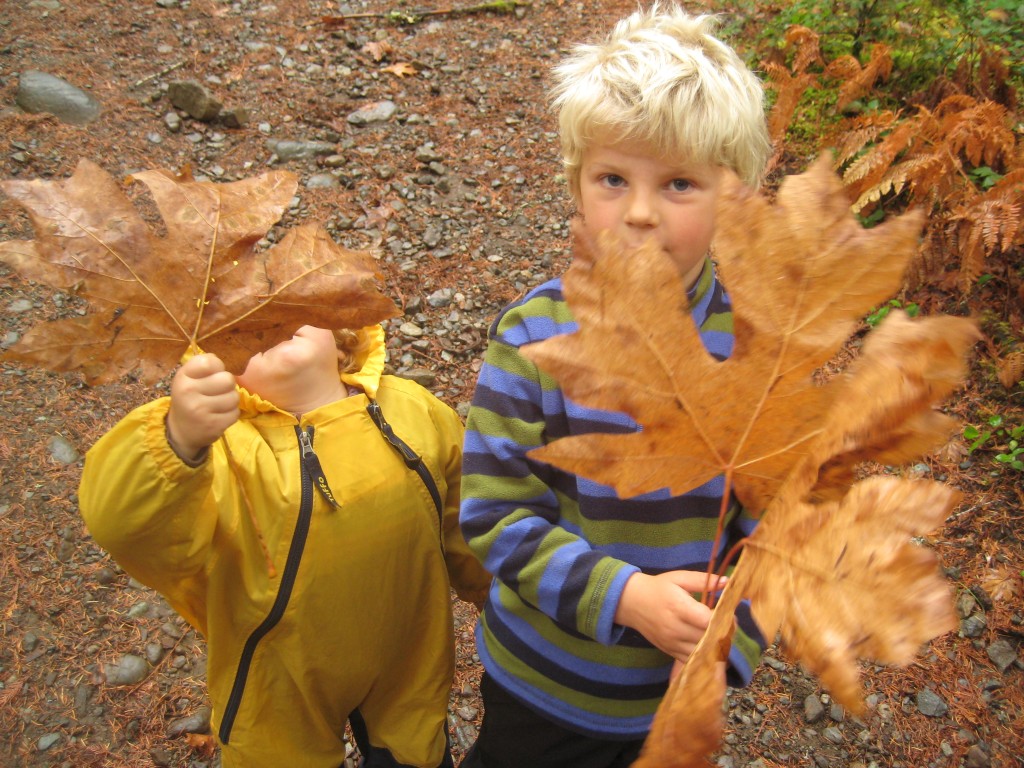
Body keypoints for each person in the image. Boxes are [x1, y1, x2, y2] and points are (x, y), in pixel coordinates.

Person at [458, 4, 772, 767]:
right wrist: (626, 597)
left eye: (679, 184)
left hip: (669, 701)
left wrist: (735, 636)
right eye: (611, 178)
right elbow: (497, 514)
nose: (638, 213)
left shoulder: (758, 346)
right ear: (576, 186)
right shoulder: (535, 338)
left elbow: (783, 529)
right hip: (545, 685)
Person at [78, 322, 492, 768]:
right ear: (221, 374)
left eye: (292, 312)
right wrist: (178, 441)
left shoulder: (413, 408)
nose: (267, 329)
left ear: (342, 340)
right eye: (237, 334)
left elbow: (468, 516)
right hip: (279, 677)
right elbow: (126, 527)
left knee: (415, 750)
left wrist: (498, 592)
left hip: (407, 653)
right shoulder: (223, 452)